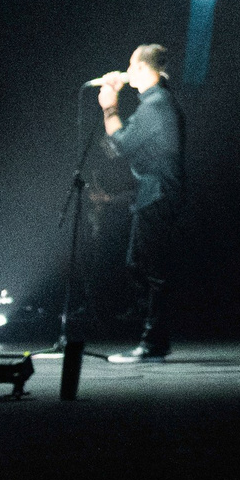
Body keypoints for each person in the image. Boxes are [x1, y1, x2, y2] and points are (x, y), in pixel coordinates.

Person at [97, 44, 184, 361]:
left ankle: (153, 342)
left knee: (151, 269)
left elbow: (117, 145)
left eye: (131, 65)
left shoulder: (156, 105)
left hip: (159, 193)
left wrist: (109, 107)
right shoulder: (155, 103)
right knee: (139, 264)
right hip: (153, 193)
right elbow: (119, 147)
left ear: (143, 69)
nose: (127, 70)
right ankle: (153, 335)